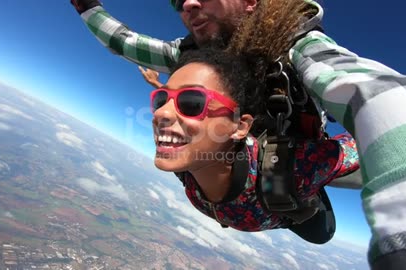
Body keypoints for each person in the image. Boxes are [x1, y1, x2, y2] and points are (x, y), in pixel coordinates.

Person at [70, 0, 406, 268]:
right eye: (178, 1)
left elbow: (372, 91)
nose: (188, 5)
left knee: (314, 218)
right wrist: (88, 7)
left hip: (297, 162)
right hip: (241, 164)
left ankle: (310, 190)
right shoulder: (191, 56)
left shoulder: (297, 45)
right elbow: (128, 44)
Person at [151, 0, 357, 244]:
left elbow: (360, 143)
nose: (160, 113)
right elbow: (127, 44)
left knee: (321, 233)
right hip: (254, 202)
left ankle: (313, 189)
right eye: (162, 99)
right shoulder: (186, 160)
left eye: (193, 103)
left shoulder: (294, 168)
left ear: (240, 127)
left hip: (290, 190)